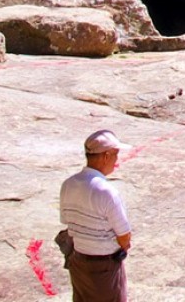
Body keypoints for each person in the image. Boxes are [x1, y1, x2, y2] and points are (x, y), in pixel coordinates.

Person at [57, 129, 133, 302]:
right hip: (105, 266)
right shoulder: (107, 192)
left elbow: (66, 221)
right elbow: (124, 236)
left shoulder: (68, 184)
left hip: (78, 261)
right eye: (115, 154)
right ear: (106, 156)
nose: (116, 160)